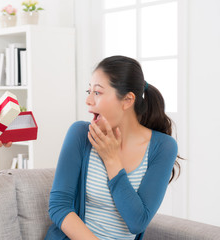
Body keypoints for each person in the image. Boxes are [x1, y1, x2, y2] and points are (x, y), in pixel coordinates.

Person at [45, 56, 181, 240]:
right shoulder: (79, 134)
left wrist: (112, 161)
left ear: (127, 100)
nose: (88, 100)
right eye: (89, 91)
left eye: (98, 93)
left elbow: (137, 222)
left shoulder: (163, 147)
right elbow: (59, 206)